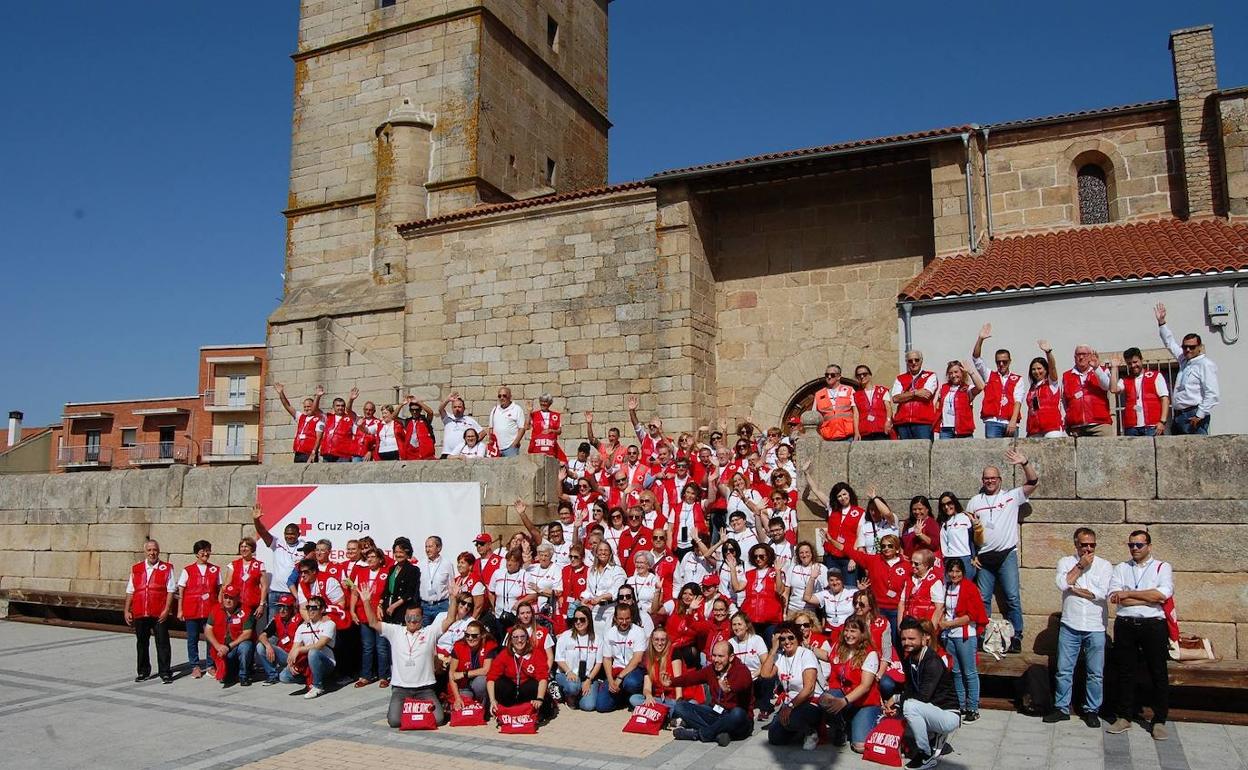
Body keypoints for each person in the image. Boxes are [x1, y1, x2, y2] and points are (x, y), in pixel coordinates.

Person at [968, 449, 1038, 652]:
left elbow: (1033, 483)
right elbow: (969, 531)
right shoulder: (975, 501)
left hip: (1006, 553)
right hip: (984, 557)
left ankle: (1016, 636)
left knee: (1012, 597)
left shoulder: (1011, 496)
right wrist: (973, 555)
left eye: (993, 478)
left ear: (1000, 480)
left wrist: (1025, 462)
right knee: (983, 599)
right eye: (986, 478)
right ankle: (983, 635)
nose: (990, 481)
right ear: (983, 480)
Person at [1106, 530, 1173, 740]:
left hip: (1153, 625)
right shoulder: (1121, 568)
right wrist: (1147, 598)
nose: (1134, 548)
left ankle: (1159, 719)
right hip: (1126, 624)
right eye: (1131, 545)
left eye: (1139, 545)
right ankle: (1124, 716)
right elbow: (1116, 597)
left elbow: (1163, 594)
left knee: (1158, 673)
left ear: (1149, 546)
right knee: (1125, 672)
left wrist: (1129, 593)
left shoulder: (1162, 567)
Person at [357, 583, 454, 726]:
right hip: (401, 689)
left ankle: (415, 709)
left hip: (425, 688)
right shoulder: (395, 631)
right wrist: (366, 602)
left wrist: (454, 598)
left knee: (439, 720)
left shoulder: (430, 632)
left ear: (422, 618)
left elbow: (450, 619)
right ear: (404, 618)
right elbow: (373, 623)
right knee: (394, 721)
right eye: (409, 617)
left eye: (416, 617)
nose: (412, 621)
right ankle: (414, 711)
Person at [1045, 528, 1111, 728]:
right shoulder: (1066, 562)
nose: (1088, 549)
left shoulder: (1105, 565)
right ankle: (1061, 707)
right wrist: (1080, 567)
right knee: (1064, 669)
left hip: (1095, 625)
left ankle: (1092, 710)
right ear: (1076, 544)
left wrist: (1079, 590)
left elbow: (1103, 593)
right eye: (1084, 545)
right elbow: (1063, 584)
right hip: (1071, 623)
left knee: (1095, 672)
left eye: (1092, 545)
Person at [886, 618, 961, 770]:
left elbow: (923, 696)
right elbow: (909, 690)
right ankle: (932, 737)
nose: (907, 642)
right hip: (930, 709)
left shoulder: (932, 661)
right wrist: (897, 706)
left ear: (924, 639)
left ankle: (926, 755)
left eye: (912, 639)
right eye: (903, 639)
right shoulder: (910, 659)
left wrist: (896, 698)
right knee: (904, 714)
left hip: (948, 714)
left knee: (910, 706)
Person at [669, 640, 755, 746]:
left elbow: (744, 683)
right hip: (717, 713)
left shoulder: (741, 670)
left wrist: (730, 689)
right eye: (714, 656)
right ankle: (719, 734)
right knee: (680, 707)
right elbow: (691, 678)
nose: (716, 660)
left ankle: (699, 734)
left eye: (721, 656)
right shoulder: (711, 670)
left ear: (731, 657)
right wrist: (671, 682)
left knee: (738, 713)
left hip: (738, 720)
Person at [1155, 302, 1219, 434]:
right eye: (1185, 347)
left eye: (1192, 347)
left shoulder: (1205, 364)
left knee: (1197, 450)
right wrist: (1162, 323)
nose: (1188, 350)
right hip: (1179, 414)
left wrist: (1199, 414)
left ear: (1199, 347)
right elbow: (1170, 342)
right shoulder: (1184, 360)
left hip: (1193, 413)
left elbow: (1212, 393)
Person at [821, 617, 883, 753]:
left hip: (864, 702)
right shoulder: (840, 647)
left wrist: (844, 701)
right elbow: (827, 656)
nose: (848, 635)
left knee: (859, 747)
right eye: (847, 630)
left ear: (862, 633)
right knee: (825, 699)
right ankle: (840, 727)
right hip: (845, 694)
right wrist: (809, 647)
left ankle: (869, 720)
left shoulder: (870, 653)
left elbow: (865, 686)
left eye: (853, 631)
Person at [760, 620, 823, 750]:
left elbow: (809, 689)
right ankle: (797, 730)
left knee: (792, 718)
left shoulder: (806, 654)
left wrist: (790, 706)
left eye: (790, 637)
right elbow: (765, 674)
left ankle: (811, 732)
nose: (787, 642)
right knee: (775, 737)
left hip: (810, 702)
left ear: (797, 637)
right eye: (782, 639)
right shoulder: (779, 656)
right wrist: (773, 649)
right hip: (790, 703)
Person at [938, 558, 987, 722]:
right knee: (956, 672)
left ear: (963, 572)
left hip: (965, 635)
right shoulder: (947, 587)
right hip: (950, 636)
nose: (954, 574)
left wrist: (948, 624)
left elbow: (970, 616)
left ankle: (973, 708)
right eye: (951, 571)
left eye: (957, 571)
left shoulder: (969, 588)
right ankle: (961, 705)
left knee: (970, 672)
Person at [125, 539, 175, 684]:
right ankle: (143, 671)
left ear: (158, 551)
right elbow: (130, 590)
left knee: (163, 642)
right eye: (149, 550)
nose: (152, 553)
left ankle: (165, 672)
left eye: (155, 550)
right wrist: (126, 609)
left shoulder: (167, 568)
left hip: (158, 612)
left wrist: (167, 609)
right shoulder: (136, 568)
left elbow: (171, 590)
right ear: (145, 552)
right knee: (141, 643)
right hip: (140, 611)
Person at [486, 624, 553, 721]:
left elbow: (543, 678)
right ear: (511, 640)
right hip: (511, 691)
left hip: (527, 691)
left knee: (533, 685)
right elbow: (491, 678)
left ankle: (536, 711)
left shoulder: (536, 653)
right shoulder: (505, 654)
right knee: (500, 683)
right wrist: (492, 700)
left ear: (527, 638)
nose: (519, 640)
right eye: (515, 637)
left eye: (522, 637)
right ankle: (505, 710)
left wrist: (539, 698)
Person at [252, 504, 306, 623]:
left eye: (292, 534)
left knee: (292, 624)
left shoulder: (304, 547)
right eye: (287, 533)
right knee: (273, 625)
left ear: (298, 534)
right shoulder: (277, 543)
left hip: (292, 592)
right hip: (274, 592)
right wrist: (256, 520)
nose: (289, 536)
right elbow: (262, 532)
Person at [970, 324, 1026, 438]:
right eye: (998, 362)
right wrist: (980, 339)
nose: (1001, 364)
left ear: (1010, 361)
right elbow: (976, 358)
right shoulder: (989, 375)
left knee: (1011, 454)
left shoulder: (1017, 379)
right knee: (992, 454)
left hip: (1010, 421)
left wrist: (1013, 420)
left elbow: (1018, 400)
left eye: (1004, 361)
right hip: (993, 422)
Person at [176, 539, 220, 680]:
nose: (205, 553)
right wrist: (180, 610)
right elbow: (181, 591)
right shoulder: (187, 570)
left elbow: (219, 590)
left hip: (209, 610)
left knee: (210, 639)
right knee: (192, 638)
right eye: (202, 551)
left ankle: (210, 665)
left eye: (208, 550)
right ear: (196, 553)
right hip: (192, 610)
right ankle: (194, 666)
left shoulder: (215, 569)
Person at [349, 547, 392, 688]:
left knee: (381, 647)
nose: (370, 559)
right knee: (367, 647)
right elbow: (355, 593)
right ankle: (366, 676)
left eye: (374, 557)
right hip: (364, 614)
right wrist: (352, 611)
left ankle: (384, 676)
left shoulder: (387, 573)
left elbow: (388, 594)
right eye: (368, 557)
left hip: (380, 616)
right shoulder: (361, 572)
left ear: (380, 559)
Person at [281, 596, 337, 698]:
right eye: (308, 607)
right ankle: (309, 679)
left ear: (322, 609)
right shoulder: (302, 627)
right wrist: (291, 663)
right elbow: (295, 647)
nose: (310, 610)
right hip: (307, 663)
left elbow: (319, 645)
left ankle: (317, 686)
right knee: (284, 676)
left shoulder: (329, 624)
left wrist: (299, 649)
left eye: (314, 607)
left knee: (313, 652)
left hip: (326, 662)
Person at [597, 603, 648, 712]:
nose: (624, 622)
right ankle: (622, 698)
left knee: (631, 683)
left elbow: (637, 658)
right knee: (602, 706)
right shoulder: (610, 633)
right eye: (621, 619)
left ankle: (631, 696)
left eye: (627, 618)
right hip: (616, 670)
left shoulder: (638, 631)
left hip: (634, 670)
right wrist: (611, 680)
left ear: (631, 617)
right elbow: (607, 658)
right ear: (615, 618)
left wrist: (619, 678)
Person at [554, 605, 605, 711]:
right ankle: (568, 694)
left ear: (589, 620)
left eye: (582, 619)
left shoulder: (597, 639)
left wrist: (588, 680)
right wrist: (568, 671)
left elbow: (598, 663)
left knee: (588, 706)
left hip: (587, 677)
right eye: (575, 619)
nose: (578, 622)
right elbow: (559, 658)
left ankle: (578, 694)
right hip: (567, 674)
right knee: (573, 687)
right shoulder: (565, 636)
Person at [1062, 344, 1118, 437]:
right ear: (1074, 357)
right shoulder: (1067, 376)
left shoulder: (1102, 370)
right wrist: (1066, 423)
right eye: (1078, 354)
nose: (1081, 357)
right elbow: (1064, 401)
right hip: (1077, 427)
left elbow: (1107, 386)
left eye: (1084, 354)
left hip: (1100, 425)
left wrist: (1096, 368)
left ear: (1090, 356)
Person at [205, 585, 255, 687]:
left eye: (231, 598)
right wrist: (218, 646)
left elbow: (247, 633)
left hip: (236, 645)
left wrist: (229, 646)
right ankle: (229, 672)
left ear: (237, 599)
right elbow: (208, 629)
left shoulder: (246, 611)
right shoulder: (216, 609)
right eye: (226, 597)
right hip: (221, 647)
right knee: (227, 678)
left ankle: (244, 675)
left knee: (245, 647)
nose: (228, 600)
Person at [1119, 347, 1170, 436]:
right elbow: (1114, 390)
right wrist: (1114, 367)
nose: (1133, 365)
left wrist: (1162, 421)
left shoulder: (1155, 376)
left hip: (1152, 426)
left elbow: (1165, 399)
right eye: (1129, 363)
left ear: (1141, 360)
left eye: (1135, 362)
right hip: (1131, 427)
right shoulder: (1125, 380)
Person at [448, 619, 497, 710]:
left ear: (482, 635)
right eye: (467, 635)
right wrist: (457, 698)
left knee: (481, 681)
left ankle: (483, 709)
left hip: (478, 683)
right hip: (463, 686)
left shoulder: (489, 645)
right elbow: (452, 675)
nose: (470, 638)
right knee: (464, 706)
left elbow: (486, 670)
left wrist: (464, 674)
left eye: (474, 635)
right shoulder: (458, 646)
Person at [891, 350, 939, 440]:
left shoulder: (930, 376)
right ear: (907, 362)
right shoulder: (900, 378)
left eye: (916, 360)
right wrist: (915, 393)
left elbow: (927, 394)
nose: (913, 363)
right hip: (903, 422)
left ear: (921, 360)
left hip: (923, 422)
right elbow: (895, 398)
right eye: (910, 361)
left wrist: (904, 396)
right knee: (905, 452)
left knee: (923, 451)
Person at [222, 536, 268, 626]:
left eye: (246, 546)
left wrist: (262, 604)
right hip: (236, 604)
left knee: (250, 629)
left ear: (252, 549)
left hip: (252, 605)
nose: (244, 549)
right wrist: (224, 602)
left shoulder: (259, 565)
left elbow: (264, 586)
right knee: (235, 627)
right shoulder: (233, 565)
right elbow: (226, 585)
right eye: (242, 547)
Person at [934, 360, 984, 440]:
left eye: (956, 372)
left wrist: (970, 372)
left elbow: (980, 387)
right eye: (950, 373)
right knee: (945, 452)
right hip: (946, 430)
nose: (953, 375)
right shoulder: (944, 388)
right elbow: (938, 406)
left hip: (963, 430)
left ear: (962, 372)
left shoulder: (967, 388)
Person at [274, 382, 324, 462]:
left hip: (309, 454)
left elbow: (319, 438)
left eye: (309, 406)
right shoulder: (301, 417)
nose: (307, 409)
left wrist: (313, 452)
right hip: (298, 453)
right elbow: (287, 406)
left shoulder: (319, 419)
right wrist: (281, 393)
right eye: (305, 407)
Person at [257, 593, 300, 685]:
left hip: (296, 655)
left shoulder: (299, 619)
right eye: (280, 607)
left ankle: (301, 675)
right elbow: (262, 635)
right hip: (283, 654)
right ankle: (272, 676)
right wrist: (268, 646)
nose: (282, 610)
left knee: (284, 678)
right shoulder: (276, 619)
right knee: (261, 646)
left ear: (292, 608)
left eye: (285, 607)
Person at [1025, 340, 1064, 437]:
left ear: (1046, 370)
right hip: (1034, 429)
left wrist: (1048, 353)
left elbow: (1053, 368)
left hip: (1051, 428)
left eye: (1039, 368)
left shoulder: (1051, 383)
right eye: (1033, 369)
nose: (1036, 372)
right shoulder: (1032, 388)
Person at [804, 566, 855, 637]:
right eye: (831, 580)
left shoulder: (852, 591)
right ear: (828, 581)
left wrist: (863, 591)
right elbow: (807, 598)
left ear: (842, 580)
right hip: (830, 630)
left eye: (837, 579)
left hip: (848, 629)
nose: (834, 583)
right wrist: (812, 578)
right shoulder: (825, 593)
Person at [813, 364, 860, 441]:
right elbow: (814, 416)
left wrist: (857, 432)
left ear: (839, 376)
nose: (829, 377)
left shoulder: (849, 390)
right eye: (826, 375)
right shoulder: (819, 394)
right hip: (827, 436)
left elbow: (856, 413)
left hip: (848, 435)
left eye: (832, 375)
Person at [381, 537, 421, 624]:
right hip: (388, 607)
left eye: (401, 552)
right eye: (396, 552)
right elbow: (386, 589)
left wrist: (393, 606)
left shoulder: (413, 570)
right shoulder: (392, 569)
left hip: (402, 609)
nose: (398, 555)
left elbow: (410, 593)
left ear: (407, 554)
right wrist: (380, 605)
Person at [420, 535, 453, 626]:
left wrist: (451, 608)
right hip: (424, 607)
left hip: (441, 606)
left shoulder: (447, 564)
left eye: (430, 546)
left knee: (441, 636)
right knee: (425, 637)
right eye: (426, 547)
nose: (427, 550)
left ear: (439, 548)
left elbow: (451, 586)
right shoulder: (421, 564)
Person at [852, 365, 892, 440]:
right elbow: (856, 415)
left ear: (870, 375)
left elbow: (888, 408)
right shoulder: (855, 395)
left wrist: (888, 421)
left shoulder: (882, 390)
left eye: (864, 374)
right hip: (864, 431)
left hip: (882, 430)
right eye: (859, 375)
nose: (862, 376)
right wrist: (856, 432)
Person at [439, 391, 482, 457]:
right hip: (447, 452)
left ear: (464, 408)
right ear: (452, 408)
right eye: (455, 407)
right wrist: (447, 400)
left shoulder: (469, 420)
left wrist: (473, 442)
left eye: (459, 407)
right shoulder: (447, 418)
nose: (457, 409)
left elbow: (482, 432)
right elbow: (440, 409)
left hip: (461, 453)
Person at [489, 386, 528, 457]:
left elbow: (522, 428)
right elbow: (491, 428)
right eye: (499, 396)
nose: (501, 398)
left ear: (510, 396)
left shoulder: (517, 409)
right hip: (496, 448)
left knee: (512, 468)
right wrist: (492, 443)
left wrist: (515, 444)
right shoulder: (495, 410)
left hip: (510, 448)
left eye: (504, 395)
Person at [319, 392, 357, 462]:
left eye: (342, 406)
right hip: (327, 453)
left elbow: (348, 410)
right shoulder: (327, 417)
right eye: (338, 406)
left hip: (343, 455)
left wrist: (351, 400)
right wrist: (318, 396)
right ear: (333, 407)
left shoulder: (350, 417)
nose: (340, 408)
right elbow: (315, 410)